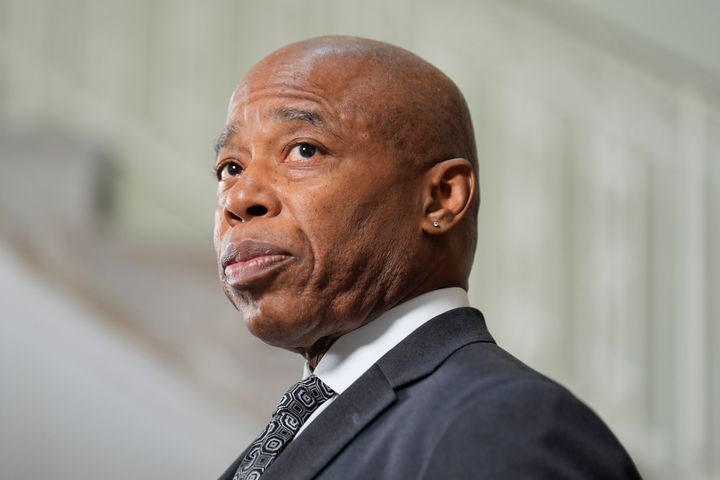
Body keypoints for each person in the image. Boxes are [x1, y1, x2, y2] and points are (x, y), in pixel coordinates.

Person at [213, 36, 640, 480]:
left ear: (441, 199)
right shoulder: (310, 426)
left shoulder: (505, 425)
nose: (240, 197)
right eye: (231, 167)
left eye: (304, 149)